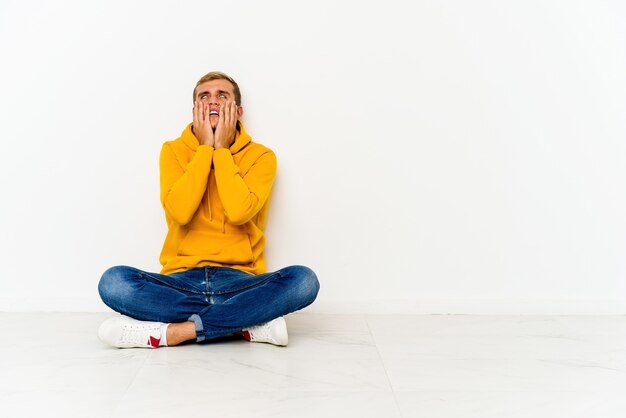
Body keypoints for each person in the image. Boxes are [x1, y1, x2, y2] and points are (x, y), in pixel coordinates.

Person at [97, 71, 320, 348]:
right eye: (205, 97)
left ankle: (175, 333)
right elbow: (180, 212)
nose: (213, 102)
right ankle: (243, 325)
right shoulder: (173, 151)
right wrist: (205, 149)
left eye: (222, 96)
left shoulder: (262, 156)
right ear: (194, 111)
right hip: (180, 282)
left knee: (304, 281)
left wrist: (222, 151)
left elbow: (239, 211)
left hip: (239, 284)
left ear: (238, 111)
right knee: (113, 282)